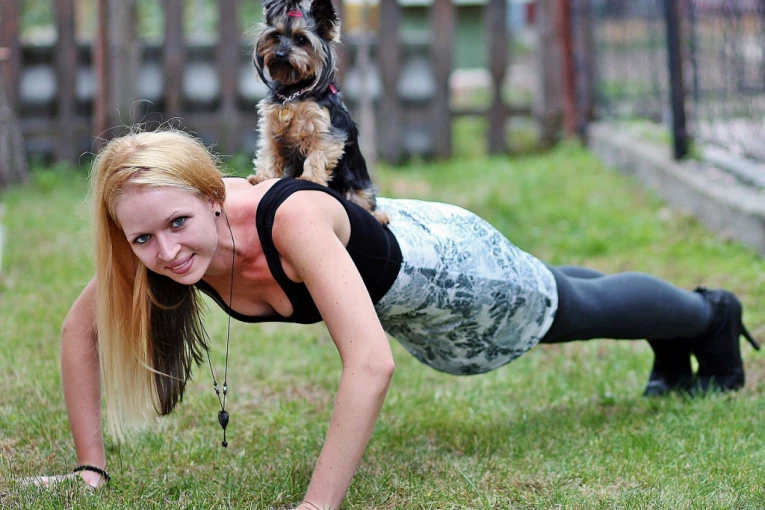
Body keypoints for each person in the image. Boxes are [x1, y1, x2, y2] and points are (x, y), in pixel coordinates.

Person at [44, 129, 758, 508]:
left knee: (571, 308)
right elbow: (81, 331)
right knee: (561, 289)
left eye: (177, 224)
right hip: (404, 272)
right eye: (142, 238)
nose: (166, 252)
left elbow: (370, 363)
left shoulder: (287, 220)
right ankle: (674, 340)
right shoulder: (155, 244)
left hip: (448, 274)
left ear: (211, 196)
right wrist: (90, 470)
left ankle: (709, 317)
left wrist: (317, 505)